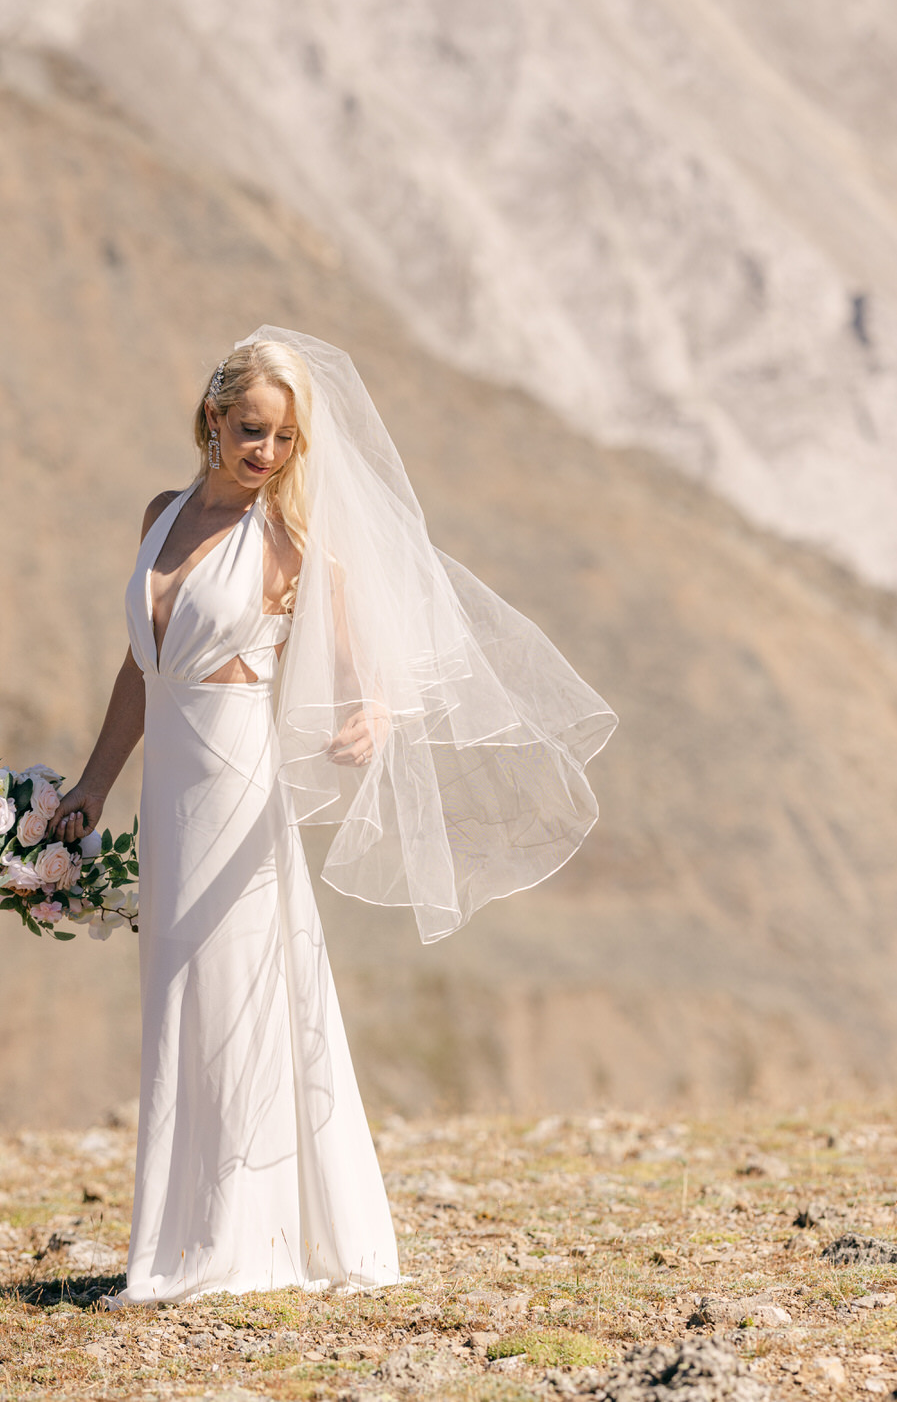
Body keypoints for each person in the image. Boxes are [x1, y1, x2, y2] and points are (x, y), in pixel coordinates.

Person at [53, 326, 616, 1305]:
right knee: (177, 997)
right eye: (247, 429)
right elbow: (141, 672)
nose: (262, 452)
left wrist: (372, 715)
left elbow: (367, 666)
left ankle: (241, 1243)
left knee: (233, 996)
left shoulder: (283, 540)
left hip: (236, 787)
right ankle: (183, 1235)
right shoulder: (161, 512)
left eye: (280, 438)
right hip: (169, 793)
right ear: (212, 417)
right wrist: (93, 784)